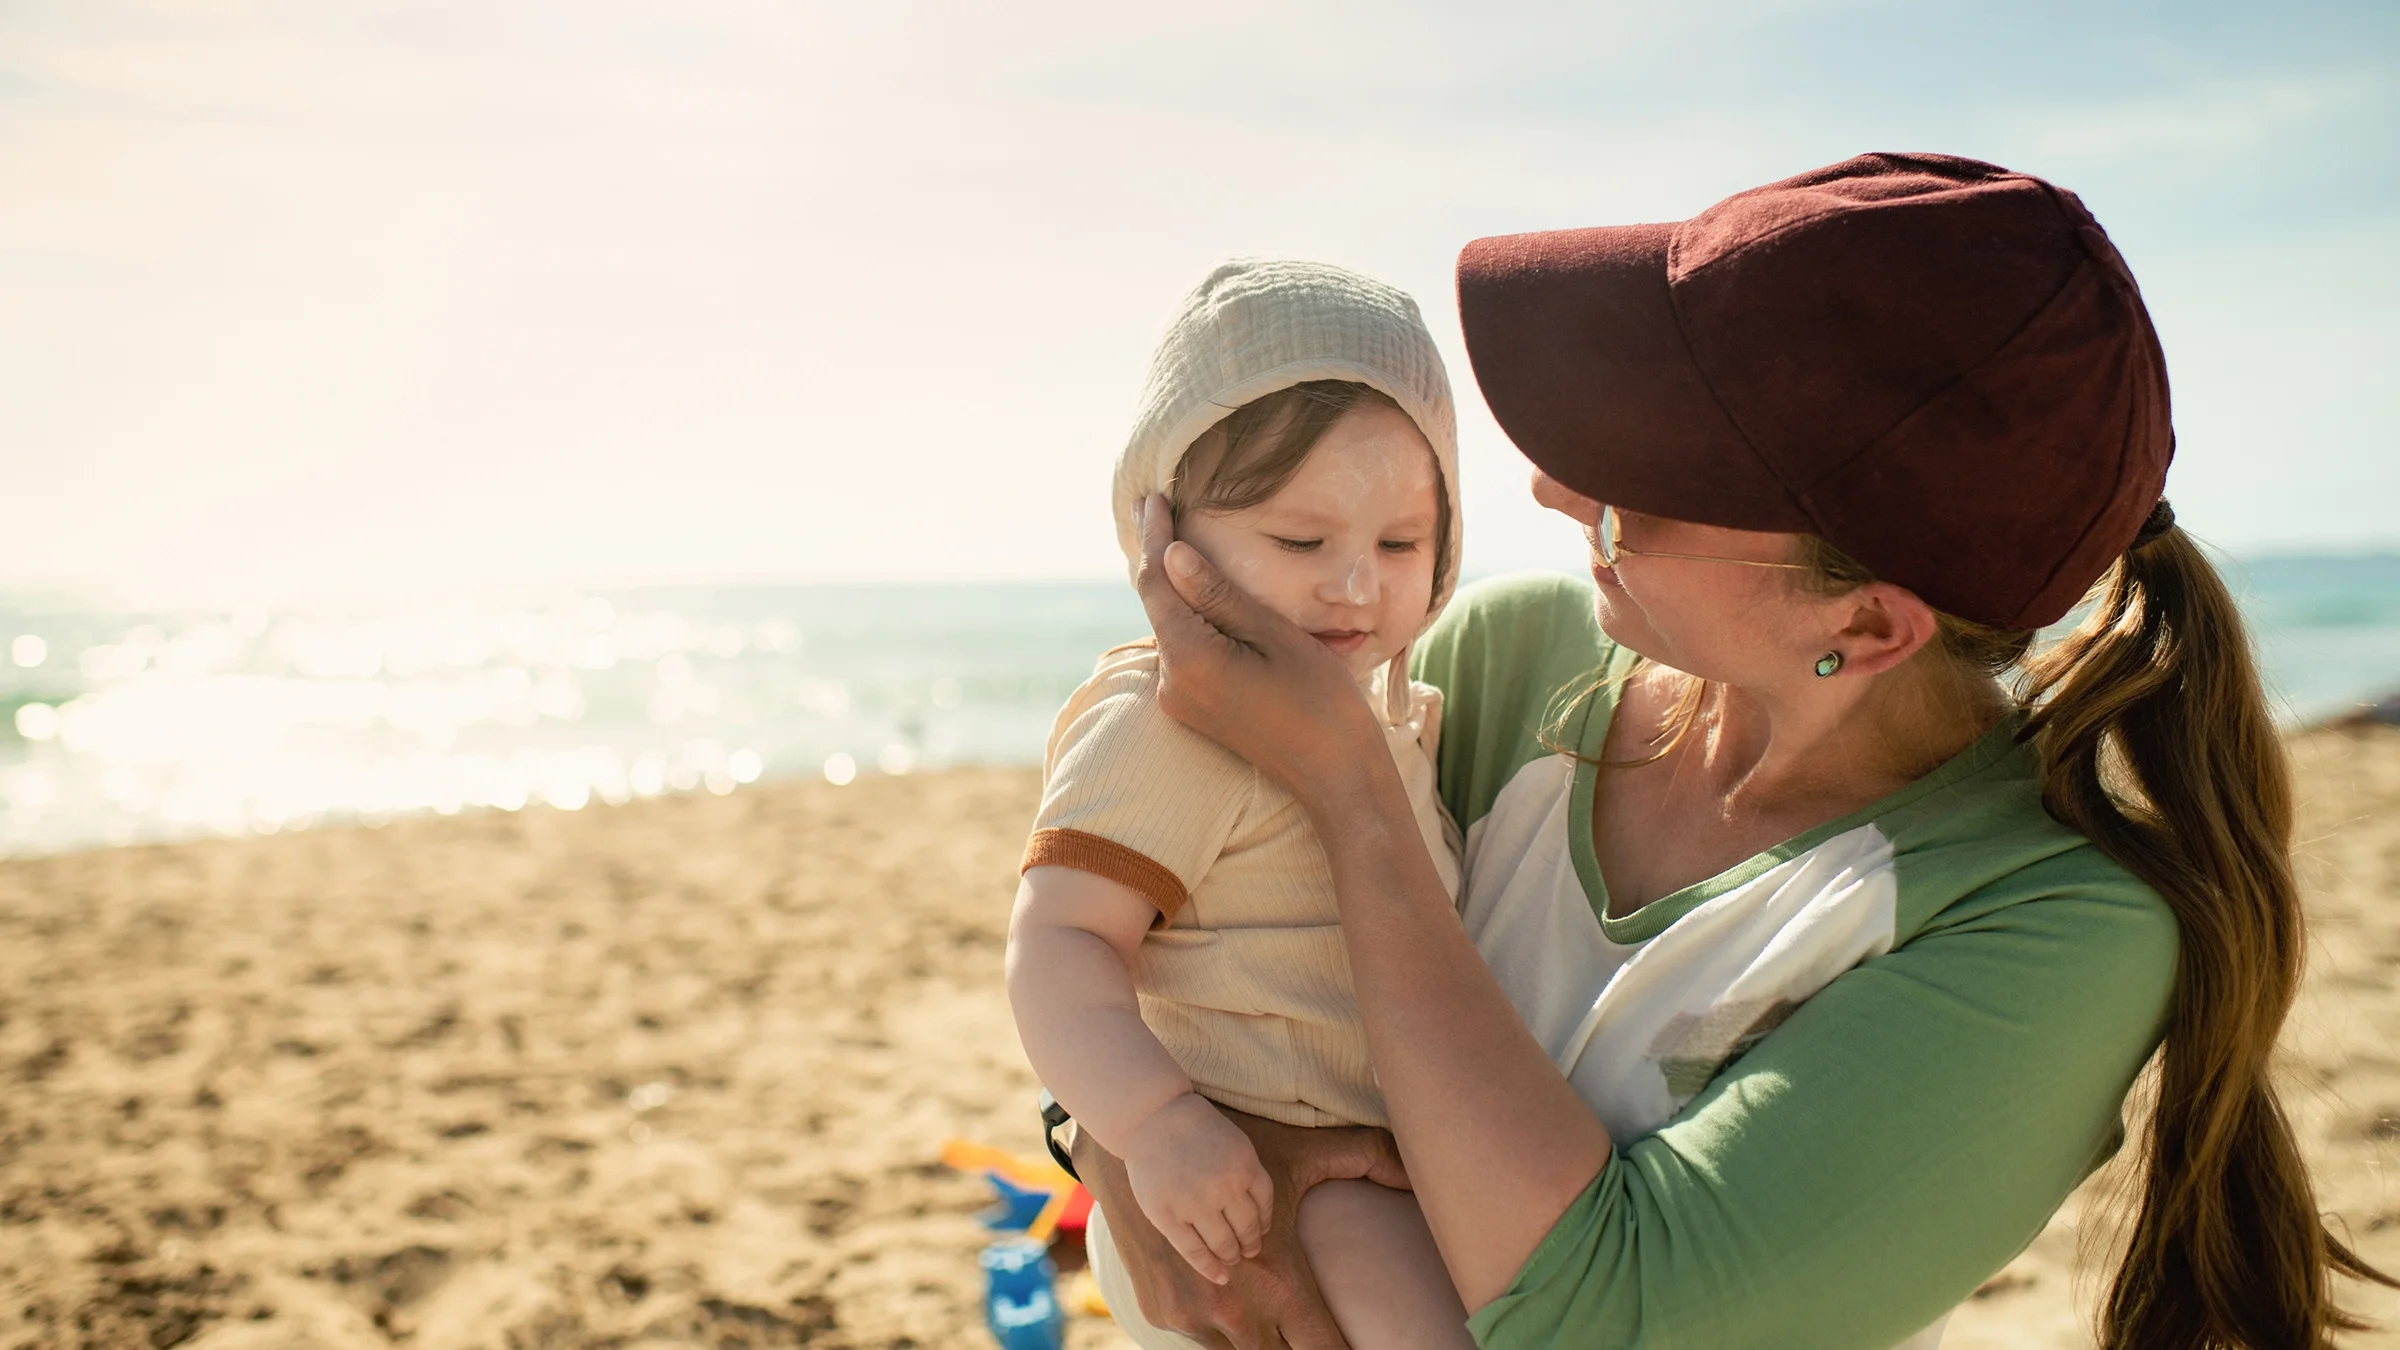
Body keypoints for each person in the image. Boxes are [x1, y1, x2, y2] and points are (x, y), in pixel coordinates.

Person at [1078, 153, 2397, 1349]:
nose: (1553, 487)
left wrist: (1354, 796)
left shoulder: (2046, 929)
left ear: (1867, 621)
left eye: (1644, 476)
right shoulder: (1513, 658)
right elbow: (1201, 939)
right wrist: (1116, 1141)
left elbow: (1605, 1313)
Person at [1006, 257, 1477, 1349]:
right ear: (1166, 531)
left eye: (1401, 544)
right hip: (1243, 1177)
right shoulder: (1170, 719)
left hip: (1379, 1152)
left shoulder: (1399, 710)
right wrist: (1151, 1121)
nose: (1355, 585)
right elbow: (1062, 937)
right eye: (1301, 543)